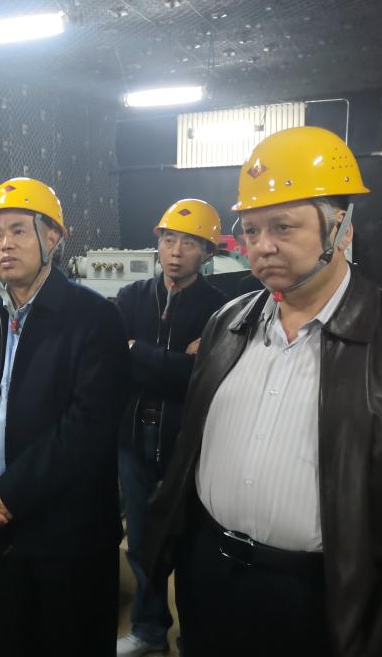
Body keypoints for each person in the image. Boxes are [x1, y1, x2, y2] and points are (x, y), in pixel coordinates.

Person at [144, 126, 382, 657]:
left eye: (283, 227)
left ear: (341, 227)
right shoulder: (228, 324)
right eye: (251, 230)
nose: (262, 246)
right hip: (210, 581)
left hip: (326, 600)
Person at [0, 177, 129, 657]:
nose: (5, 244)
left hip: (67, 533)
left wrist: (8, 495)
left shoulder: (95, 319)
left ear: (53, 237)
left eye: (19, 230)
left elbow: (87, 427)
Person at [115, 199, 227, 657]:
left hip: (189, 443)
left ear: (208, 252)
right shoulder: (131, 297)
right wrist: (177, 361)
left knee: (194, 545)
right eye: (169, 240)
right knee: (142, 542)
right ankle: (149, 630)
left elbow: (204, 377)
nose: (176, 251)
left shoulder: (220, 308)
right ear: (158, 244)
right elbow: (117, 364)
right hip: (133, 438)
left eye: (189, 243)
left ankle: (196, 638)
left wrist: (137, 350)